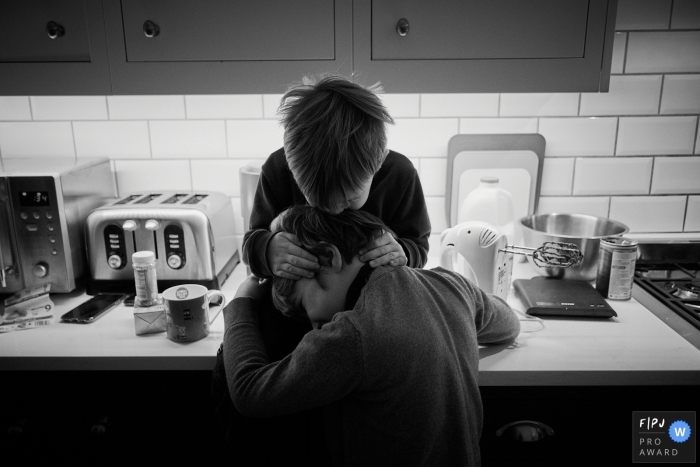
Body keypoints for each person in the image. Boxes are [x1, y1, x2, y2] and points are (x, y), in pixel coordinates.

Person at [222, 206, 521, 467]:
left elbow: (250, 392)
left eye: (303, 306)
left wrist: (240, 304)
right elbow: (509, 323)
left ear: (328, 257)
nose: (313, 328)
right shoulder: (452, 285)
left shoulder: (353, 335)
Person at [242, 73, 431, 281]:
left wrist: (403, 252)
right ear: (290, 164)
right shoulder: (276, 170)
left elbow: (418, 246)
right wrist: (267, 250)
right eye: (317, 202)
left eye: (349, 200)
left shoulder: (400, 176)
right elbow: (252, 241)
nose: (333, 211)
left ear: (378, 163)